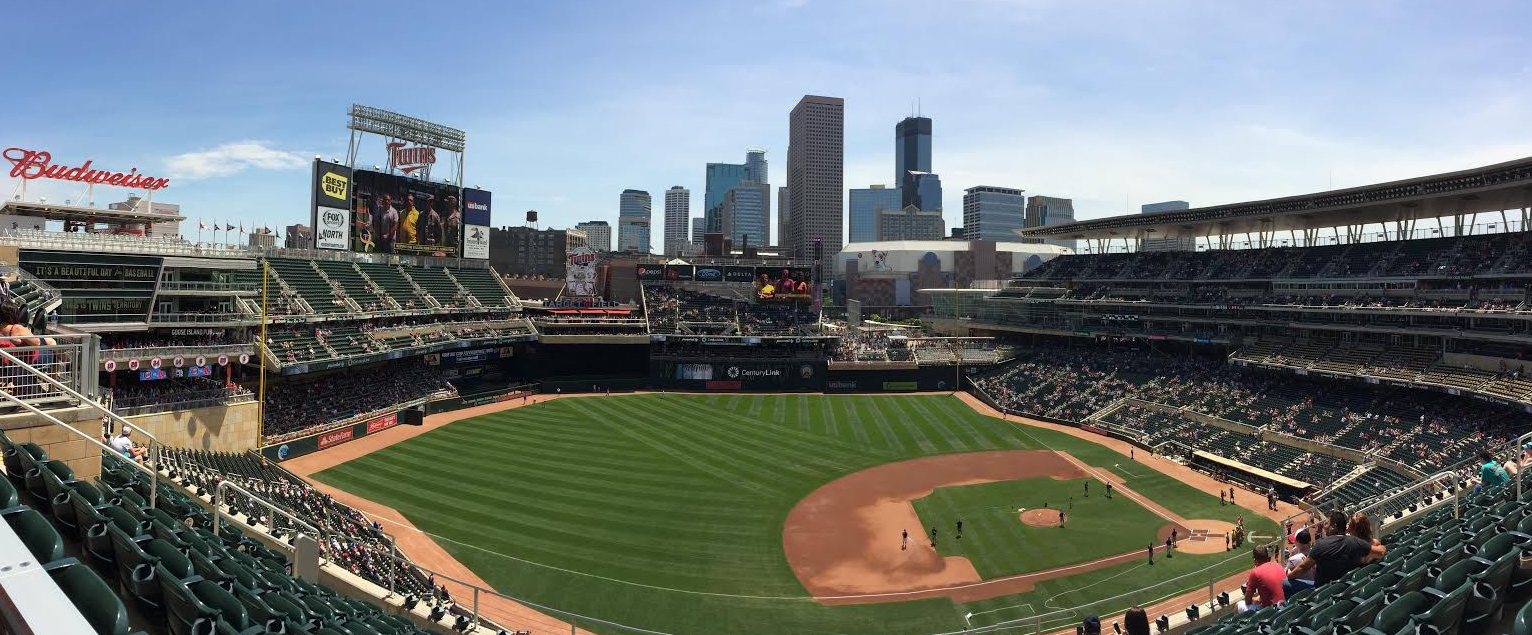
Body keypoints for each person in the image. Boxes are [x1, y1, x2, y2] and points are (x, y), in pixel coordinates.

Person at [1287, 511, 1384, 587]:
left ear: (1355, 529)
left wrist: (1288, 576)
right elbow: (1381, 551)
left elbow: (1303, 567)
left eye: (1349, 525)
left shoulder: (1355, 543)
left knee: (1285, 584)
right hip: (1357, 581)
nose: (1346, 526)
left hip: (1329, 587)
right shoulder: (1368, 543)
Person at [1238, 545, 1286, 612]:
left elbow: (1247, 601)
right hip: (1285, 606)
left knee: (1238, 605)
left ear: (1255, 560)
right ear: (1267, 557)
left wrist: (1254, 599)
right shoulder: (1278, 565)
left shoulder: (1255, 572)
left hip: (1270, 611)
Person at [1282, 529, 1315, 597]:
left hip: (1301, 591)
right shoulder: (1316, 553)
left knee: (1284, 582)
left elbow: (1287, 576)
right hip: (1315, 586)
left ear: (1297, 542)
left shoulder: (1293, 559)